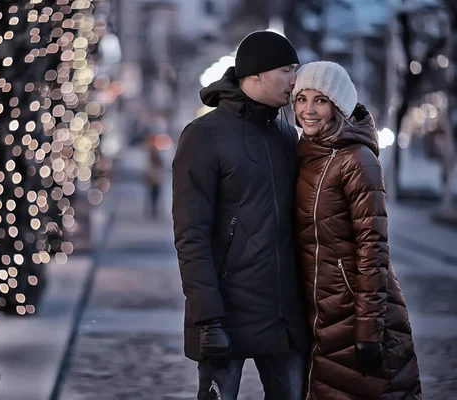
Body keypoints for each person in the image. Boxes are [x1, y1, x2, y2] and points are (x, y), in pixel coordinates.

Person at [172, 31, 309, 400]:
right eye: (286, 70)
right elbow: (191, 235)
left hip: (283, 316)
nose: (295, 80)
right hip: (225, 314)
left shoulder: (286, 134)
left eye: (296, 69)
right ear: (255, 75)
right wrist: (208, 319)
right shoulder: (204, 135)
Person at [292, 61, 423, 399]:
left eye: (320, 100)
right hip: (322, 314)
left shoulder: (356, 159)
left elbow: (373, 248)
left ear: (338, 106)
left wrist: (369, 329)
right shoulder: (306, 155)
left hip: (354, 315)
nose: (308, 110)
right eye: (301, 99)